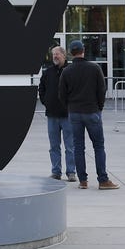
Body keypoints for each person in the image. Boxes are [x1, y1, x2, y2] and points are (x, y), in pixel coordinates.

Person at [58, 40, 119, 190]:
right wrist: (99, 107)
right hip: (92, 111)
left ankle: (83, 180)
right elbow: (101, 90)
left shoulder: (67, 71)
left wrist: (69, 107)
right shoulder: (94, 68)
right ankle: (102, 179)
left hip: (75, 113)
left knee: (78, 147)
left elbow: (62, 94)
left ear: (71, 53)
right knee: (98, 146)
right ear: (83, 50)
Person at [38, 46, 76, 182]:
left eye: (57, 54)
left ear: (64, 55)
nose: (55, 56)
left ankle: (71, 172)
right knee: (54, 146)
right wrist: (46, 101)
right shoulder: (48, 72)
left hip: (68, 116)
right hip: (52, 115)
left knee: (70, 147)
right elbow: (41, 88)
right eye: (53, 54)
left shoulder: (71, 71)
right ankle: (56, 172)